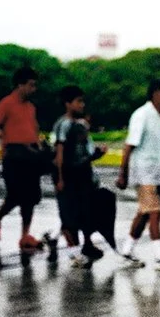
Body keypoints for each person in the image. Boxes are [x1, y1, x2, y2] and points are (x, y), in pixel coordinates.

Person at [116, 79, 160, 273]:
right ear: (154, 93)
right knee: (155, 212)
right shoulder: (141, 115)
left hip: (158, 173)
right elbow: (129, 146)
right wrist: (123, 174)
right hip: (144, 172)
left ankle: (127, 250)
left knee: (144, 213)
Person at [0, 66, 45, 258]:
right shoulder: (6, 103)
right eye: (31, 85)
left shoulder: (31, 107)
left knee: (30, 198)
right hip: (14, 153)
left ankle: (25, 234)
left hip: (30, 154)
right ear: (20, 85)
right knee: (16, 195)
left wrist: (39, 147)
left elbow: (34, 130)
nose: (33, 89)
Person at [52, 86, 105, 268]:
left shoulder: (81, 126)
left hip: (83, 173)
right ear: (68, 104)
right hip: (69, 173)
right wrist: (60, 177)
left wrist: (97, 155)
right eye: (78, 101)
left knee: (85, 212)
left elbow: (85, 153)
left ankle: (85, 244)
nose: (82, 105)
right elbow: (59, 152)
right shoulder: (63, 125)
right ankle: (74, 252)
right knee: (69, 214)